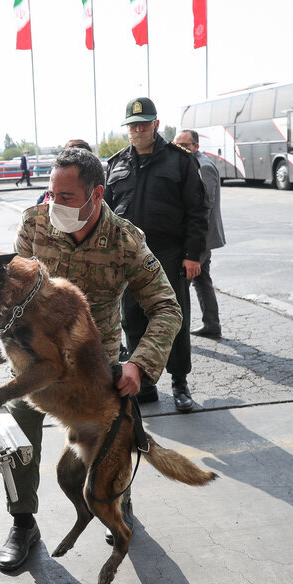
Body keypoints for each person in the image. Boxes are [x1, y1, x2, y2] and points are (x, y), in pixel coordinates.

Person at [0, 146, 183, 571]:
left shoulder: (125, 241)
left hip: (96, 366)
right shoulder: (34, 224)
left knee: (112, 435)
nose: (54, 204)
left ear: (96, 194)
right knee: (15, 431)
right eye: (50, 193)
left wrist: (139, 364)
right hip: (37, 359)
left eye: (65, 196)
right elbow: (13, 293)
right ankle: (22, 521)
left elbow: (167, 307)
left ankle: (116, 501)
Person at [104, 97, 208, 413]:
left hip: (170, 255)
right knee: (133, 320)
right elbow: (106, 213)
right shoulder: (116, 164)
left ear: (156, 125)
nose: (137, 130)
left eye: (144, 124)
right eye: (132, 125)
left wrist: (193, 255)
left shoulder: (180, 161)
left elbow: (197, 211)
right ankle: (144, 384)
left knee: (172, 319)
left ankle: (180, 383)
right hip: (129, 257)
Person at [173, 129, 225, 338]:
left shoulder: (203, 167)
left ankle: (178, 333)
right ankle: (211, 325)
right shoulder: (190, 164)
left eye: (184, 145)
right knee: (202, 280)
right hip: (200, 237)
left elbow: (205, 206)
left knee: (180, 285)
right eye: (176, 145)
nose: (179, 149)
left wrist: (192, 242)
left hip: (200, 238)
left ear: (196, 146)